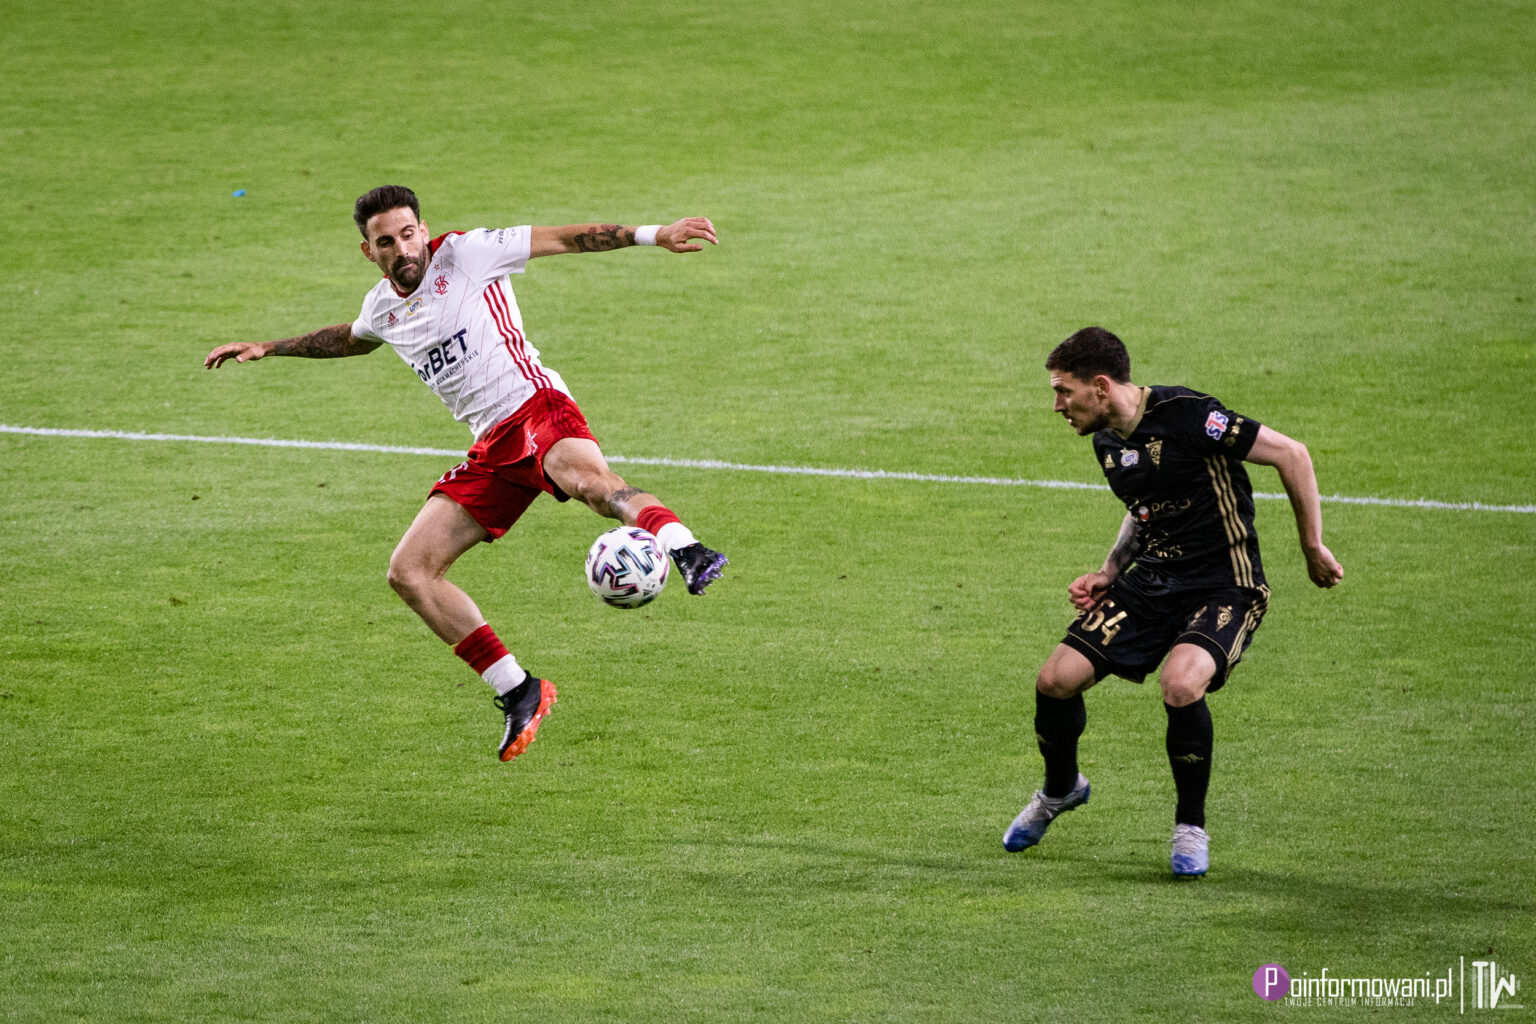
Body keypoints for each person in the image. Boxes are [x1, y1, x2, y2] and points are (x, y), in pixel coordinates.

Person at [205, 185, 728, 764]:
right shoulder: (382, 307)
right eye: (387, 241)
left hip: (535, 407)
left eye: (408, 233)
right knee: (409, 573)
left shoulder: (468, 253)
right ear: (368, 251)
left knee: (587, 484)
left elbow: (567, 239)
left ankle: (686, 548)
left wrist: (656, 234)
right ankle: (519, 689)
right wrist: (269, 347)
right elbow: (352, 340)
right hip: (492, 447)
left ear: (422, 228)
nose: (403, 247)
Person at [1003, 326, 1342, 875]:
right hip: (1154, 582)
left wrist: (1311, 546)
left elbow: (1292, 454)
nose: (1057, 404)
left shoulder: (1191, 415)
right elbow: (1145, 506)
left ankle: (1190, 827)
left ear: (1102, 386)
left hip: (1224, 584)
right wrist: (1111, 570)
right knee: (1055, 680)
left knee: (1182, 683)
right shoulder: (1107, 441)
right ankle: (1062, 788)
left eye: (1064, 391)